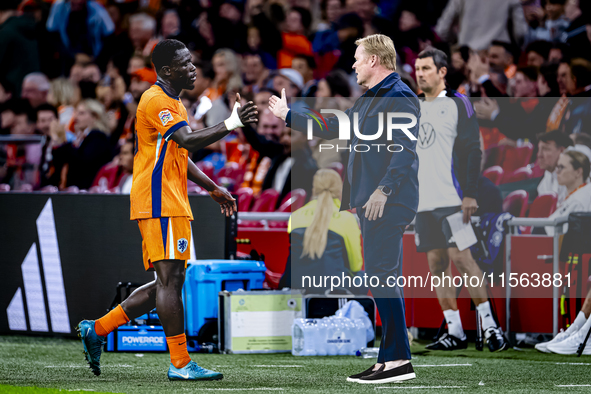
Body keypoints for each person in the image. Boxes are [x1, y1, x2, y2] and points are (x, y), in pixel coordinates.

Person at [76, 39, 258, 381]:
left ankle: (97, 329)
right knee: (170, 281)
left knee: (170, 280)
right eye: (185, 63)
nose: (193, 68)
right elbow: (188, 140)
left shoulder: (172, 102)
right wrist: (232, 123)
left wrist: (213, 188)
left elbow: (179, 155)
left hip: (169, 199)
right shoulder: (157, 100)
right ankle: (180, 364)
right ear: (166, 71)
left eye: (192, 62)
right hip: (159, 200)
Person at [270, 33, 420, 384]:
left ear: (374, 60)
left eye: (357, 57)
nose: (352, 63)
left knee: (383, 275)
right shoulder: (371, 99)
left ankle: (398, 360)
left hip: (388, 200)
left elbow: (405, 150)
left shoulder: (400, 96)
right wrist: (289, 115)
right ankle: (389, 359)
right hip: (372, 201)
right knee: (382, 277)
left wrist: (383, 190)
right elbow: (333, 126)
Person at [413, 48, 507, 352]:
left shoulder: (458, 103)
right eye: (417, 68)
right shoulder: (412, 107)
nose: (420, 73)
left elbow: (472, 151)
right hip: (423, 202)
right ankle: (454, 331)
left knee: (463, 259)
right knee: (437, 264)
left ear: (442, 72)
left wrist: (470, 193)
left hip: (453, 198)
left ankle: (491, 328)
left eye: (426, 68)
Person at [284, 169, 363, 293]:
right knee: (362, 277)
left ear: (314, 188)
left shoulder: (295, 216)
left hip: (298, 287)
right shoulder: (347, 219)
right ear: (339, 189)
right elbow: (355, 266)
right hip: (334, 290)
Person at [51, 99, 112, 190]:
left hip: (88, 192)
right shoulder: (82, 138)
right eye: (76, 113)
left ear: (95, 116)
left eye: (82, 113)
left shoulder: (98, 137)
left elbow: (84, 161)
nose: (75, 117)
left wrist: (65, 145)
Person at [544, 150, 591, 235]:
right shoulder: (572, 195)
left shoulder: (581, 200)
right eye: (557, 167)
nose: (557, 172)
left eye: (561, 167)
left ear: (578, 172)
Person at [536, 130, 574, 204]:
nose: (539, 155)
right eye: (539, 149)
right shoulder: (547, 175)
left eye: (546, 149)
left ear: (562, 151)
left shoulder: (572, 178)